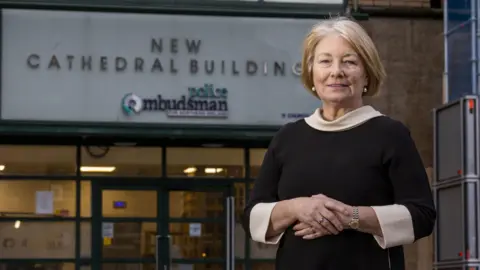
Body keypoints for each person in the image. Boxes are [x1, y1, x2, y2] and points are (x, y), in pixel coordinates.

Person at [242, 16, 436, 270]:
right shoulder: (287, 138)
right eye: (325, 61)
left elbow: (422, 216)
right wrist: (297, 207)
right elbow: (251, 217)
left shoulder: (391, 134)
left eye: (349, 62)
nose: (336, 71)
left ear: (366, 74)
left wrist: (350, 217)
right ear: (312, 73)